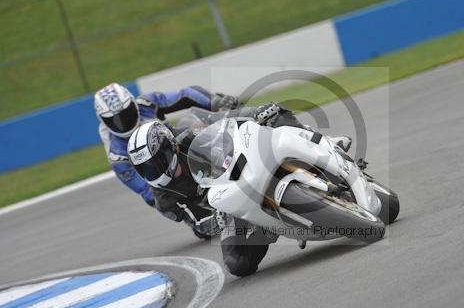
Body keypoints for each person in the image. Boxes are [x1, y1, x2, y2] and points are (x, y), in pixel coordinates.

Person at [127, 104, 352, 276]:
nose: (153, 171)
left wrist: (256, 112)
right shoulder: (164, 199)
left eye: (156, 162)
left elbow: (224, 119)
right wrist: (214, 219)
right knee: (237, 264)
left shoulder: (187, 133)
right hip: (226, 204)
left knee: (276, 113)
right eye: (145, 168)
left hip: (241, 162)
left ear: (170, 147)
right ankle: (269, 225)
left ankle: (324, 144)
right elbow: (198, 224)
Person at [94, 82, 239, 236]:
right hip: (172, 183)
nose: (123, 122)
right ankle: (197, 217)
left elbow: (186, 94)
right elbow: (147, 192)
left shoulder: (147, 104)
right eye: (115, 120)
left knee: (192, 121)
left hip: (182, 151)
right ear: (104, 121)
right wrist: (175, 199)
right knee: (200, 222)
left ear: (133, 103)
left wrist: (215, 102)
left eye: (126, 113)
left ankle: (241, 140)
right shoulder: (117, 155)